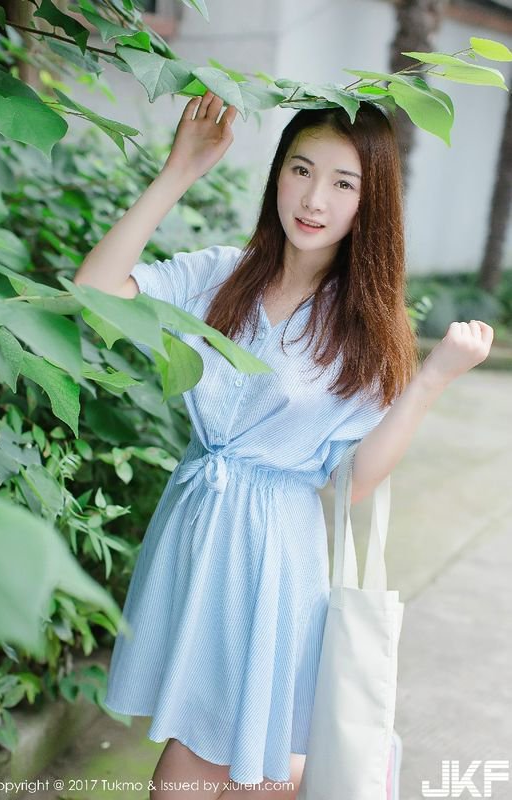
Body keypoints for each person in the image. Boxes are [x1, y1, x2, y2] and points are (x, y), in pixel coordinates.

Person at [73, 91, 493, 800]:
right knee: (229, 756)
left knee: (192, 767)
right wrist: (179, 171)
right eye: (301, 170)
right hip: (195, 530)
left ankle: (312, 773)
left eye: (342, 183)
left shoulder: (362, 327)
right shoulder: (221, 275)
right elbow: (96, 290)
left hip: (269, 557)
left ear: (370, 203)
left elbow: (352, 480)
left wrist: (432, 380)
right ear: (277, 174)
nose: (313, 199)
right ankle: (310, 776)